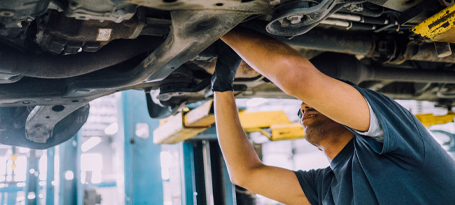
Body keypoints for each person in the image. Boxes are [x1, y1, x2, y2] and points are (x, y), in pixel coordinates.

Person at [211, 27, 455, 205]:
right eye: (302, 105)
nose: (303, 107)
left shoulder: (397, 137)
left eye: (311, 101)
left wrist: (221, 26)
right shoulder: (329, 186)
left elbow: (299, 79)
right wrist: (222, 84)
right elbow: (245, 172)